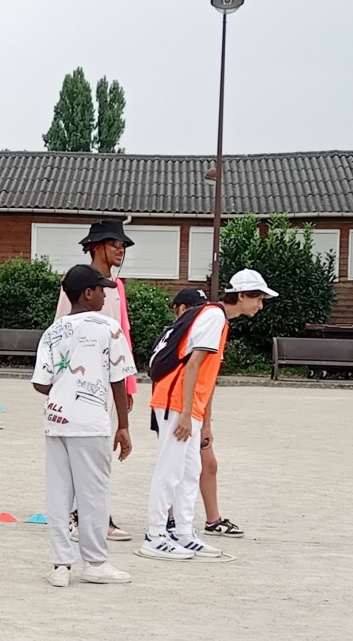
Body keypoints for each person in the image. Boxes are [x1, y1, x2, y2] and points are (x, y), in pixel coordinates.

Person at [141, 270, 277, 561]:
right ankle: (155, 536)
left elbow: (206, 375)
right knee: (171, 470)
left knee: (189, 471)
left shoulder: (216, 318)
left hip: (187, 405)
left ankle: (183, 533)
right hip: (176, 402)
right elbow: (191, 366)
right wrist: (187, 413)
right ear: (240, 295)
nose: (260, 305)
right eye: (257, 298)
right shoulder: (214, 317)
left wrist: (202, 419)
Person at [33, 265, 136, 588]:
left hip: (57, 419)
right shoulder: (108, 327)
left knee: (59, 493)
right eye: (102, 290)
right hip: (91, 423)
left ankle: (60, 565)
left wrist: (65, 387)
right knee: (93, 494)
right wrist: (123, 424)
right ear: (87, 293)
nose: (106, 296)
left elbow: (41, 383)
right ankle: (95, 562)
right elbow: (118, 378)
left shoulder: (53, 331)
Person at [56, 218, 136, 544]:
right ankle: (77, 516)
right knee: (82, 450)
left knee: (102, 452)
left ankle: (98, 515)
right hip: (80, 384)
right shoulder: (77, 284)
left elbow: (123, 339)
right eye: (115, 243)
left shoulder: (117, 289)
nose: (120, 249)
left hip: (108, 382)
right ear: (97, 246)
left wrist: (127, 386)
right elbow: (61, 332)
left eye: (123, 245)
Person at [163, 288, 245, 538]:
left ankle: (212, 520)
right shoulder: (181, 337)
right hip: (177, 407)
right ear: (180, 309)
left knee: (206, 464)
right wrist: (185, 413)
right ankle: (166, 521)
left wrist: (206, 424)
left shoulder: (212, 328)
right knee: (174, 467)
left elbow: (206, 383)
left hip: (196, 409)